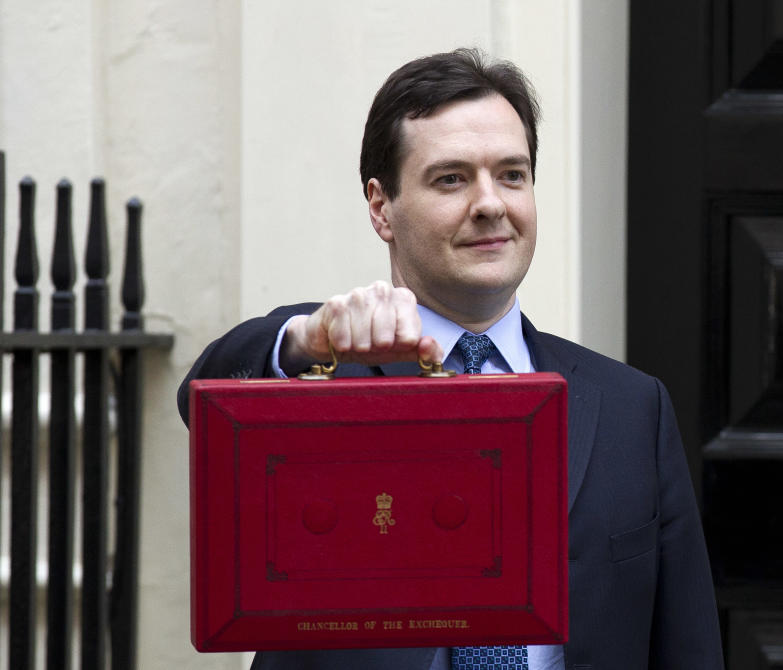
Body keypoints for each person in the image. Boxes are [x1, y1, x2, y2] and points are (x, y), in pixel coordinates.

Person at [179, 48, 723, 670]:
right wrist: (307, 340)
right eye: (452, 179)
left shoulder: (633, 407)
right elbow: (206, 396)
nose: (490, 203)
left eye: (512, 175)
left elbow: (687, 646)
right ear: (381, 207)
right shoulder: (320, 378)